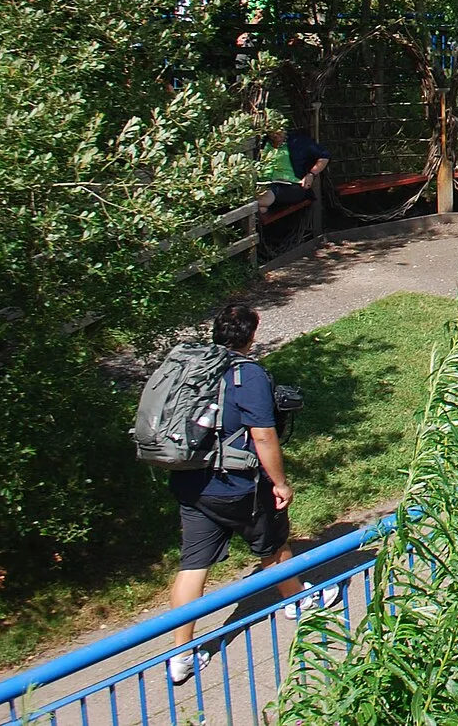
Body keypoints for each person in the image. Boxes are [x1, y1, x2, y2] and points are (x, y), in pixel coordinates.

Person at [165, 305, 338, 686]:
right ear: (250, 337)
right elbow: (263, 436)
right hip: (237, 486)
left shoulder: (192, 367)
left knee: (193, 565)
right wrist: (280, 483)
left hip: (191, 483)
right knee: (272, 543)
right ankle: (298, 600)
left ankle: (180, 654)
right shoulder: (248, 374)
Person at [256, 119, 330, 214]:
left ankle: (244, 207)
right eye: (271, 132)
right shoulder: (262, 144)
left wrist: (311, 174)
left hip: (292, 185)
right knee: (262, 209)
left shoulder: (298, 141)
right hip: (264, 184)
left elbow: (324, 156)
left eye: (278, 132)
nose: (275, 135)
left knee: (268, 193)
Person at [234, 0, 275, 67]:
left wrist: (246, 34)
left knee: (241, 62)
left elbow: (259, 16)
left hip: (260, 36)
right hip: (256, 35)